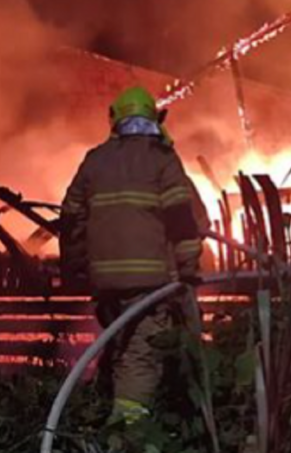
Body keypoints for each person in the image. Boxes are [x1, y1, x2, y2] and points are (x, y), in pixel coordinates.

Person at [59, 85, 206, 429]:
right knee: (140, 355)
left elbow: (70, 217)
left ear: (116, 120)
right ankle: (128, 432)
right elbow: (182, 218)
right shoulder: (161, 159)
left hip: (106, 285)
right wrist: (189, 269)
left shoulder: (95, 160)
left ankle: (95, 411)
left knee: (119, 346)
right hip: (150, 284)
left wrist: (75, 266)